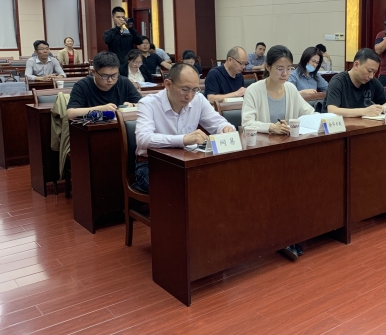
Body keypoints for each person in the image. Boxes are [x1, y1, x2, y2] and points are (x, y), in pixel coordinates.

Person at [241, 45, 315, 261]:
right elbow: (246, 123)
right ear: (268, 67)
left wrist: (303, 122)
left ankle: (295, 231)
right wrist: (270, 127)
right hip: (261, 152)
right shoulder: (254, 90)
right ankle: (281, 235)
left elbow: (309, 113)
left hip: (288, 150)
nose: (285, 73)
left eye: (289, 68)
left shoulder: (290, 89)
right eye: (280, 69)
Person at [135, 63, 235, 192]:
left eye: (194, 90)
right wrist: (183, 139)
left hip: (187, 161)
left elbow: (218, 122)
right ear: (168, 84)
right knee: (181, 188)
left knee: (220, 179)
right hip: (152, 164)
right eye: (185, 89)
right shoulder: (148, 104)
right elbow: (143, 139)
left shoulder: (198, 99)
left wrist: (226, 128)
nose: (190, 96)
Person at [66, 51, 141, 120]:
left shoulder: (124, 82)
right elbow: (70, 113)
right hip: (93, 128)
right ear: (94, 72)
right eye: (105, 76)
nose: (110, 80)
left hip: (120, 126)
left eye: (114, 75)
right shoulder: (82, 86)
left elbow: (143, 105)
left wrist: (132, 105)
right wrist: (101, 109)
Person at [323, 48, 386, 117]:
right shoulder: (338, 81)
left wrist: (379, 109)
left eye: (374, 72)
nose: (371, 76)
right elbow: (332, 110)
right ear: (356, 65)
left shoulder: (372, 81)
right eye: (369, 71)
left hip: (364, 124)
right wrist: (364, 111)